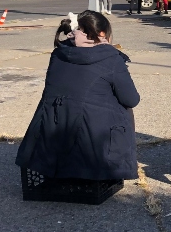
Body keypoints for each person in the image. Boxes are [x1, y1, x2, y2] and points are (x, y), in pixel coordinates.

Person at [15, 11, 140, 183]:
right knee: (123, 107)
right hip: (93, 143)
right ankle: (110, 164)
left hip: (54, 132)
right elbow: (131, 99)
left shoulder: (59, 52)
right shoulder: (111, 58)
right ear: (102, 34)